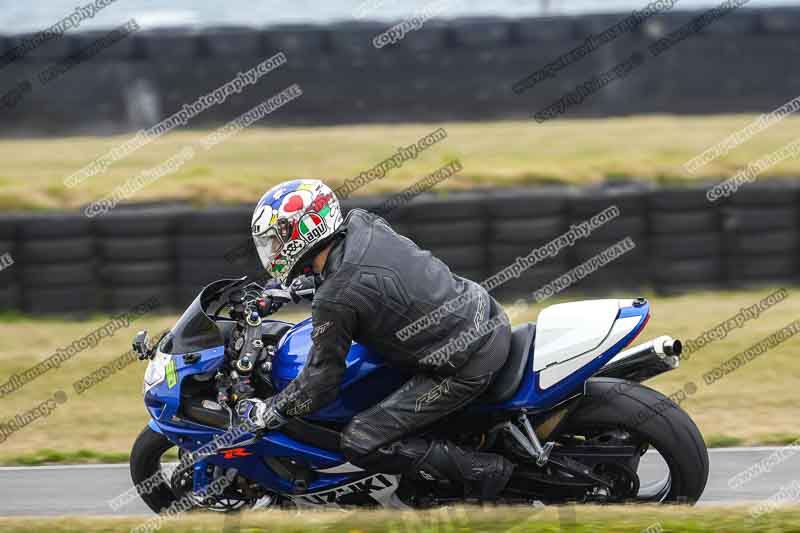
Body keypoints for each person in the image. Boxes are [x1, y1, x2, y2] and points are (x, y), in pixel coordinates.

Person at [236, 179, 514, 501]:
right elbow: (367, 277)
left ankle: (489, 475)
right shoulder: (363, 224)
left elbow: (322, 380)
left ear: (302, 232)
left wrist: (272, 411)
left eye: (275, 242)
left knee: (361, 440)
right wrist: (291, 290)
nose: (272, 252)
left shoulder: (334, 301)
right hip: (483, 311)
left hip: (464, 363)